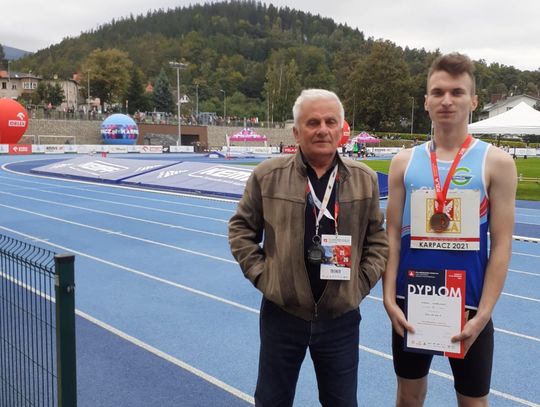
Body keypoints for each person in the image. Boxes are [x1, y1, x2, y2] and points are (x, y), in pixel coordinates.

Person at [228, 89, 388, 407]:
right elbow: (240, 230)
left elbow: (377, 240)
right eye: (312, 122)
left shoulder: (364, 179)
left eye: (331, 121)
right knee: (272, 401)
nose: (322, 129)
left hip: (341, 317)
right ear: (296, 132)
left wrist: (359, 285)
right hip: (282, 314)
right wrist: (265, 277)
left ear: (343, 129)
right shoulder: (267, 176)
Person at [383, 53, 517, 406]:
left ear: (473, 101)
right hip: (409, 302)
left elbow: (502, 244)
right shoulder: (403, 162)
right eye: (438, 92)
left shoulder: (497, 162)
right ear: (425, 101)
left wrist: (484, 313)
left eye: (457, 92)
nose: (446, 100)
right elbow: (392, 235)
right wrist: (387, 297)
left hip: (471, 306)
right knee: (409, 397)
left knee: (473, 401)